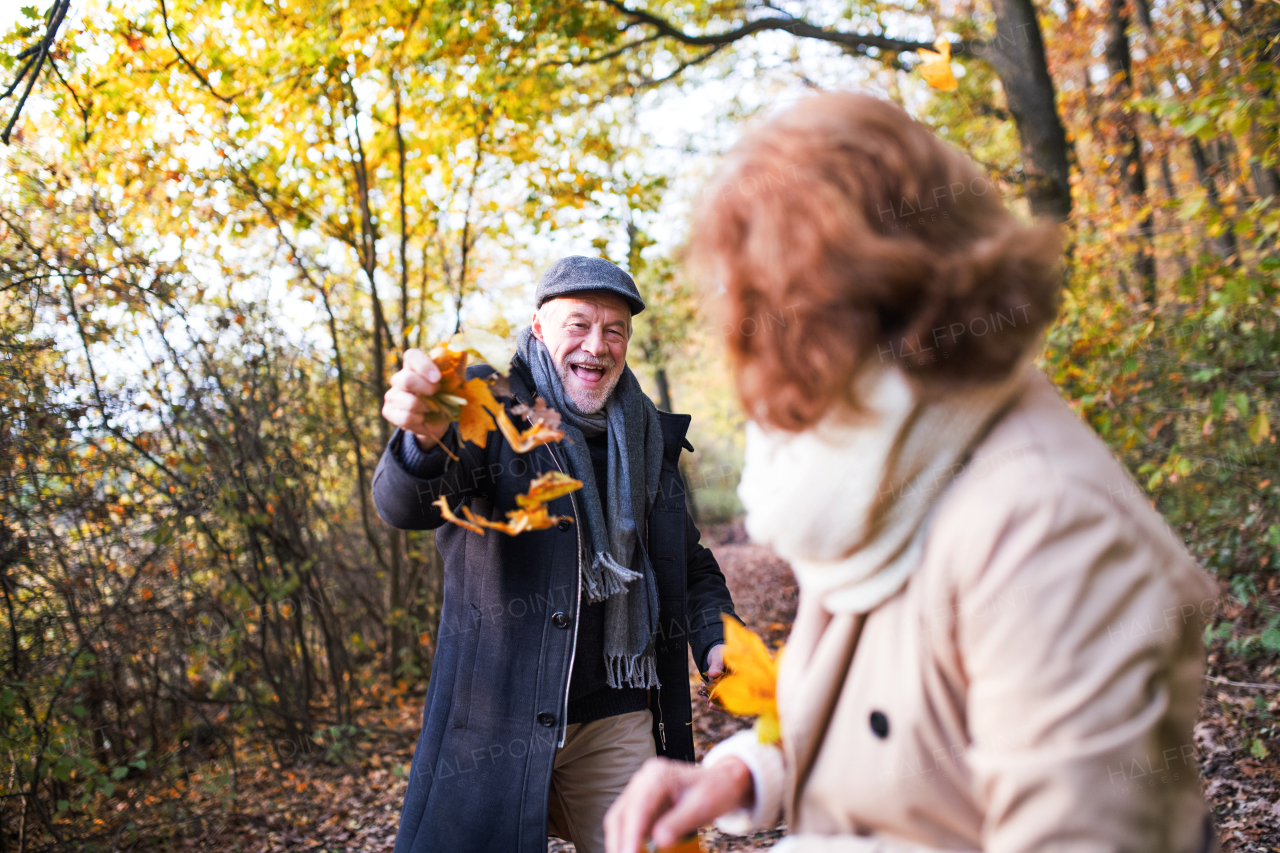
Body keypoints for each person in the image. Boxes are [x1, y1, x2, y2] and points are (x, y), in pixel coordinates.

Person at [604, 93, 1219, 853]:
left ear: (889, 290)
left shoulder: (1048, 523)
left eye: (785, 302)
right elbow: (885, 714)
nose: (763, 344)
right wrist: (742, 774)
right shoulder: (882, 456)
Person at [374, 255, 736, 853]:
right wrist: (421, 441)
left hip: (616, 717)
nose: (597, 346)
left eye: (614, 329)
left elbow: (686, 562)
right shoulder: (483, 414)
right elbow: (404, 505)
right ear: (539, 328)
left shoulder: (647, 438)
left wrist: (716, 633)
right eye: (578, 325)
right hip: (497, 722)